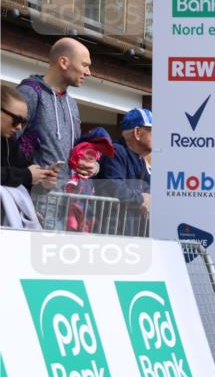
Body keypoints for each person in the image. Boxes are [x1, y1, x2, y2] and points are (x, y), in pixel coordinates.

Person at [16, 37, 97, 182]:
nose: (88, 72)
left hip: (67, 198)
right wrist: (27, 175)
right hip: (33, 198)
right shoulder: (29, 93)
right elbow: (6, 145)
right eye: (84, 65)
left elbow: (76, 150)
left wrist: (92, 165)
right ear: (64, 62)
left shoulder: (71, 104)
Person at [97, 108, 153, 236]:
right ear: (137, 132)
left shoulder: (139, 159)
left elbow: (148, 191)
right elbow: (113, 187)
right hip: (113, 234)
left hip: (129, 234)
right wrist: (140, 199)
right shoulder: (116, 152)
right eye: (153, 131)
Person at [2, 85, 58, 193]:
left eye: (23, 122)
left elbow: (22, 168)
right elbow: (23, 174)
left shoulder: (9, 140)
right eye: (17, 119)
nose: (19, 127)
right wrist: (26, 175)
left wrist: (42, 179)